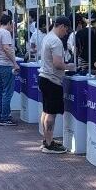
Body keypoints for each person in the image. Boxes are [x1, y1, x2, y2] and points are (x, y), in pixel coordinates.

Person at [38, 16, 72, 153]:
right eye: (66, 29)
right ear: (62, 26)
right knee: (51, 113)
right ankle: (49, 144)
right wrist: (71, 67)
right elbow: (58, 64)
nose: (66, 33)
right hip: (52, 81)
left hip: (45, 78)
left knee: (46, 111)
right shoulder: (56, 42)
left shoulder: (47, 37)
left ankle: (47, 140)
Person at [0, 13, 21, 126]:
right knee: (7, 92)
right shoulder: (6, 33)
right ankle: (5, 117)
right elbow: (6, 48)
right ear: (9, 23)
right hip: (6, 65)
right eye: (11, 24)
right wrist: (15, 63)